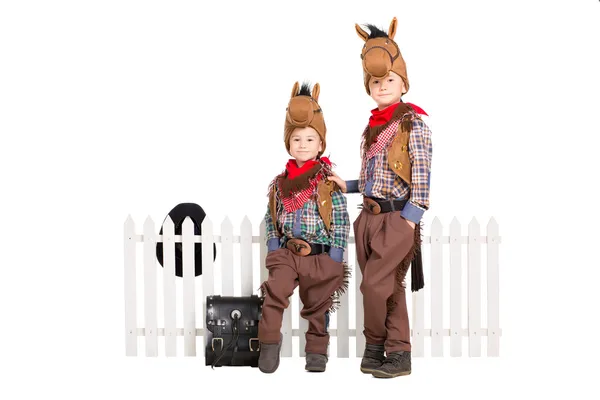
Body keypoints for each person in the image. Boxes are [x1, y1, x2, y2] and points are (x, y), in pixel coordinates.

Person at [327, 17, 432, 378]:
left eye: (389, 80)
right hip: (368, 217)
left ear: (403, 82)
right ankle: (396, 354)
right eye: (376, 82)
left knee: (372, 284)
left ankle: (376, 345)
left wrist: (410, 218)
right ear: (368, 86)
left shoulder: (412, 123)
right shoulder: (373, 125)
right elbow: (377, 177)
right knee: (388, 287)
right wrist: (349, 185)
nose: (382, 86)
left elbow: (422, 173)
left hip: (396, 218)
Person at [257, 81, 351, 374]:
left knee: (317, 305)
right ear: (288, 144)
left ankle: (316, 353)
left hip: (319, 255)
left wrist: (335, 253)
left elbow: (340, 218)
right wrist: (274, 244)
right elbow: (271, 217)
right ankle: (269, 345)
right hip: (288, 253)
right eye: (296, 139)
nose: (303, 145)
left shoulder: (327, 181)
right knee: (274, 295)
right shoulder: (279, 183)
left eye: (310, 139)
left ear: (321, 144)